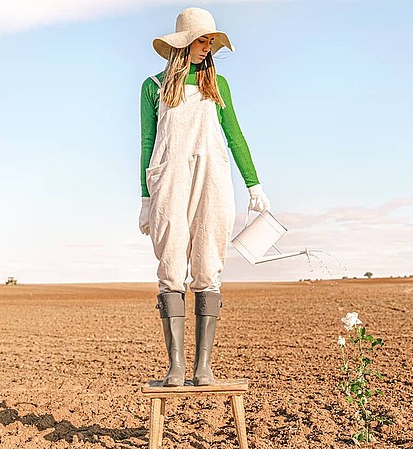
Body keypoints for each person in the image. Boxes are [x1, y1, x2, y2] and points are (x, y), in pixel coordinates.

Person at [138, 7, 269, 387]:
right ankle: (176, 366)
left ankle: (203, 366)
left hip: (212, 180)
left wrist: (254, 185)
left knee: (208, 266)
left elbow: (235, 135)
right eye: (201, 40)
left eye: (210, 41)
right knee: (170, 267)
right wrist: (145, 198)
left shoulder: (218, 85)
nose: (207, 47)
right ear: (183, 43)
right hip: (169, 181)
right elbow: (147, 144)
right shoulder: (153, 86)